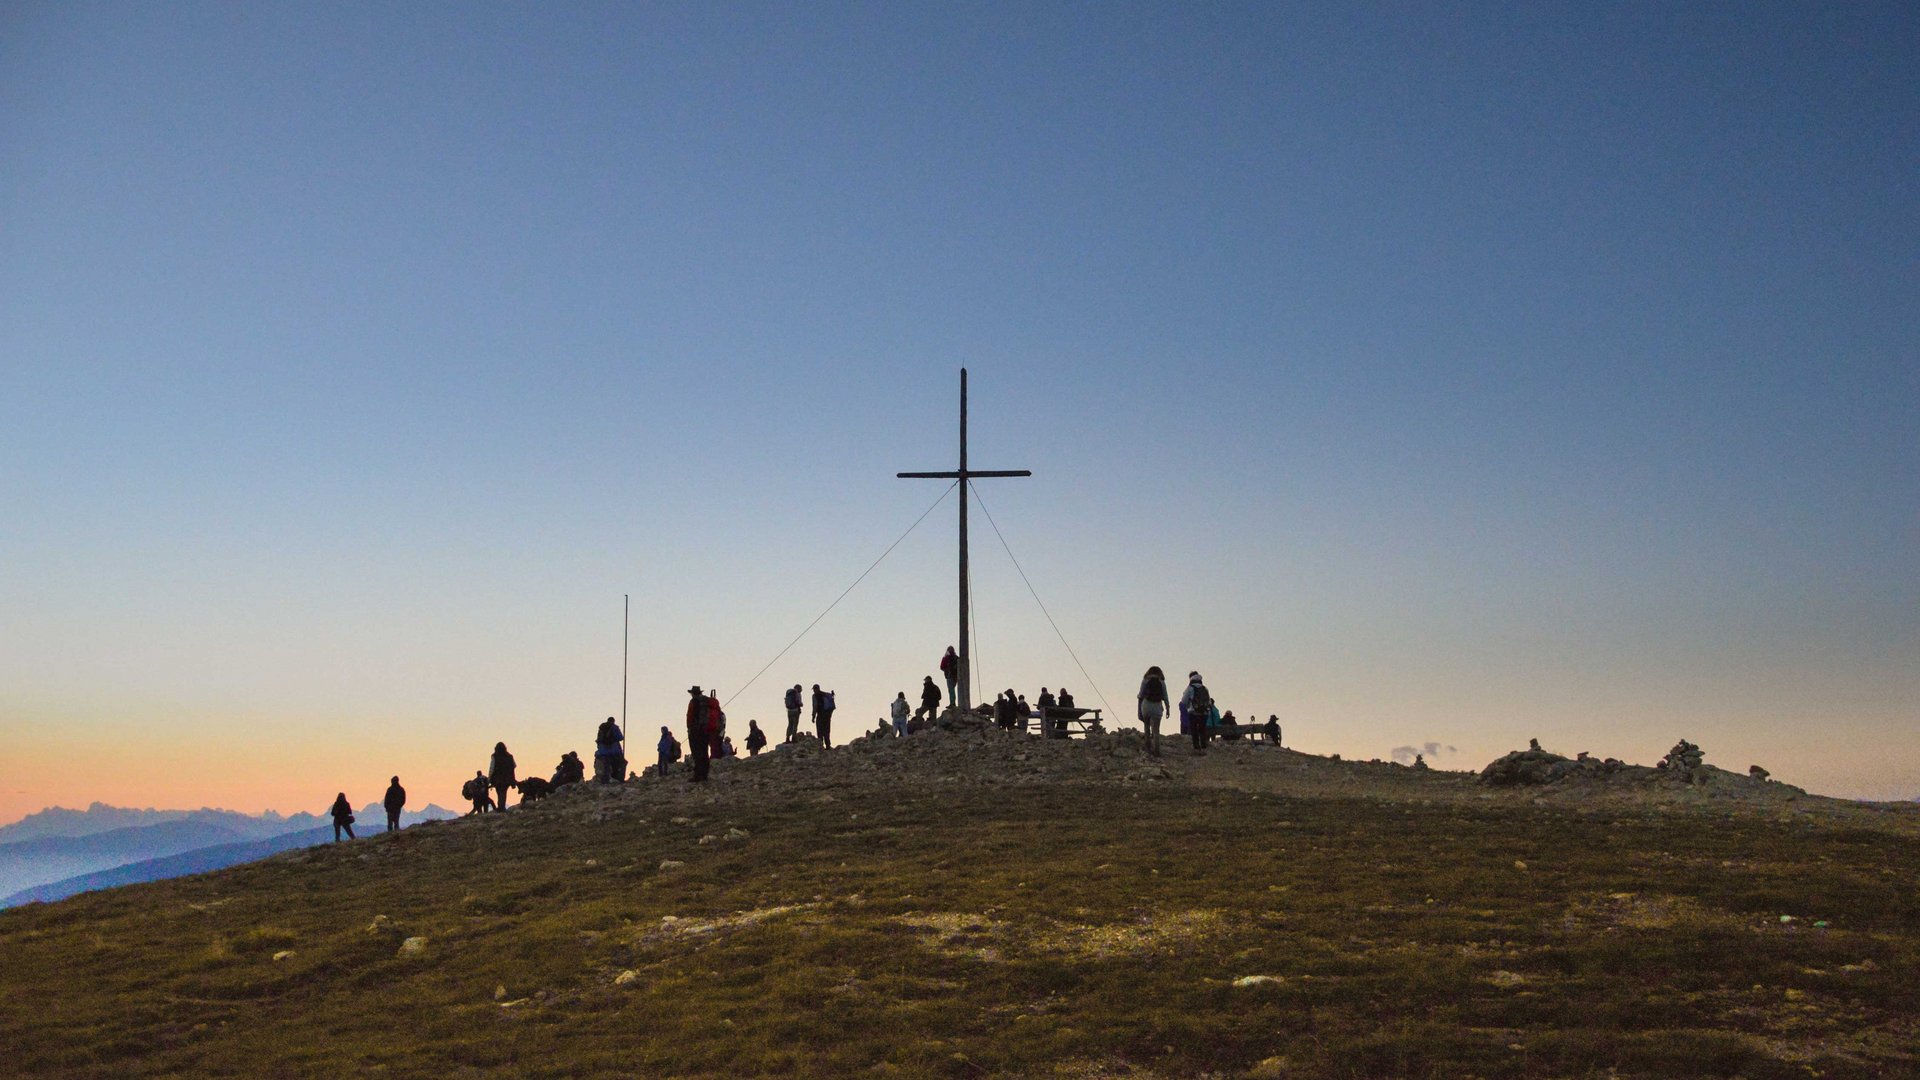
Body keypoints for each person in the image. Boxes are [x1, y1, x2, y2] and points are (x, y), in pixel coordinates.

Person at [1138, 665, 1169, 757]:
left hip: (1146, 705)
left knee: (1146, 727)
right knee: (1156, 730)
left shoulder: (1145, 680)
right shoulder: (1161, 682)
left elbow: (1140, 694)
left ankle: (1148, 747)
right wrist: (1168, 708)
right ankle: (1157, 751)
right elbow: (1165, 696)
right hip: (1157, 707)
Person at [686, 686, 713, 782]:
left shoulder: (694, 702)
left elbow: (690, 717)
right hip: (706, 731)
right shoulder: (706, 701)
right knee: (704, 752)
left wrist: (690, 728)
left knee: (697, 753)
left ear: (693, 693)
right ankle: (705, 774)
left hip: (695, 731)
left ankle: (697, 775)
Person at [1182, 673, 1213, 753]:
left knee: (1194, 729)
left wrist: (1188, 706)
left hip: (1193, 712)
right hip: (1204, 712)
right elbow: (1209, 701)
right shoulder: (1204, 688)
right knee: (1202, 729)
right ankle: (1203, 745)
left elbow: (1184, 701)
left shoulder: (1190, 688)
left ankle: (1196, 746)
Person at [595, 716, 625, 784]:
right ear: (613, 721)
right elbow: (620, 737)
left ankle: (605, 781)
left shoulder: (601, 728)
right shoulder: (614, 727)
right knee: (618, 765)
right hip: (614, 751)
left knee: (606, 767)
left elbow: (599, 739)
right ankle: (618, 780)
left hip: (603, 752)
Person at [488, 742, 517, 809]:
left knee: (499, 792)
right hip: (508, 778)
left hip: (497, 779)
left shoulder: (494, 756)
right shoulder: (510, 756)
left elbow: (491, 768)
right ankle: (502, 806)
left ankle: (501, 807)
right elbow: (514, 765)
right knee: (504, 792)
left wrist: (489, 779)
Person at [707, 690, 727, 763]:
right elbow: (724, 721)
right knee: (718, 744)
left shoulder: (707, 710)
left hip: (709, 730)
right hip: (718, 730)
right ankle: (718, 757)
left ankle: (713, 757)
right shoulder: (719, 712)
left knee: (712, 745)